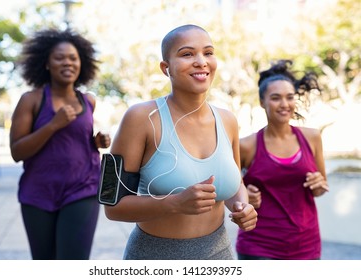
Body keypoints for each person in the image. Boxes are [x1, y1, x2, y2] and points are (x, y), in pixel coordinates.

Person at [104, 24, 257, 260]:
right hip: (154, 257)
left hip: (219, 255)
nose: (201, 61)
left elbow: (235, 182)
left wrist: (242, 206)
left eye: (208, 53)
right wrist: (174, 203)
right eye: (187, 54)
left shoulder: (228, 120)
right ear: (166, 68)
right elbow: (111, 205)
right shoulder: (139, 118)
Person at [10, 28, 110, 260]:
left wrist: (97, 141)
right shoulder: (31, 100)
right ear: (47, 63)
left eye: (73, 58)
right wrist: (53, 124)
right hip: (39, 193)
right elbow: (17, 152)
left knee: (73, 263)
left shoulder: (88, 101)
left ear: (81, 63)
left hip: (82, 189)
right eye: (60, 57)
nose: (68, 63)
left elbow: (77, 141)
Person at [236, 60, 329, 260]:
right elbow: (232, 194)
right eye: (276, 98)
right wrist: (244, 197)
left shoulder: (312, 137)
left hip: (306, 245)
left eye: (290, 97)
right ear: (262, 102)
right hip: (259, 247)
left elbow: (320, 189)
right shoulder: (246, 145)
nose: (285, 104)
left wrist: (318, 184)